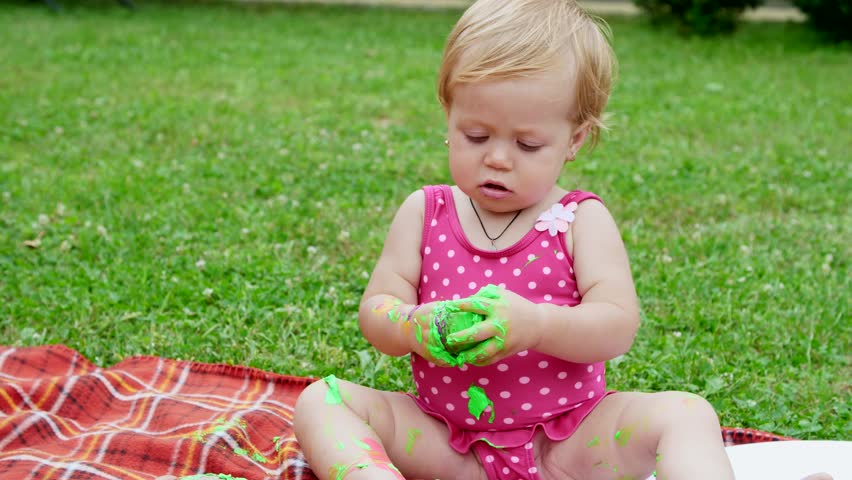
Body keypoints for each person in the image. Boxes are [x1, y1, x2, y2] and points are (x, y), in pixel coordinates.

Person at [293, 1, 817, 480]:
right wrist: (410, 325)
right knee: (323, 400)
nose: (497, 157)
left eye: (528, 143)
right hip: (446, 444)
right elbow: (376, 311)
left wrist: (537, 325)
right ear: (448, 117)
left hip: (569, 444)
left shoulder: (578, 220)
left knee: (686, 413)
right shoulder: (425, 212)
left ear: (575, 140)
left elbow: (616, 325)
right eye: (476, 135)